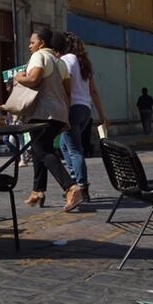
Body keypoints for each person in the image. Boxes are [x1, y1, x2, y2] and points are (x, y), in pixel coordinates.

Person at [4, 27, 84, 211]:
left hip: (42, 113)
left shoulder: (39, 56)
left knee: (42, 151)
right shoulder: (60, 62)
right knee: (40, 149)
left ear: (42, 43)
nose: (30, 46)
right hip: (59, 113)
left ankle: (71, 187)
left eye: (32, 42)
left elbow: (33, 80)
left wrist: (18, 76)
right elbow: (68, 92)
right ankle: (37, 191)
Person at [53, 31, 110, 201]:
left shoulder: (65, 61)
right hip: (85, 109)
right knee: (65, 145)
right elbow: (93, 90)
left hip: (72, 108)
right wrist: (102, 115)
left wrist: (62, 110)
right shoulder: (84, 63)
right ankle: (76, 182)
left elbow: (65, 88)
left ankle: (81, 186)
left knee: (75, 149)